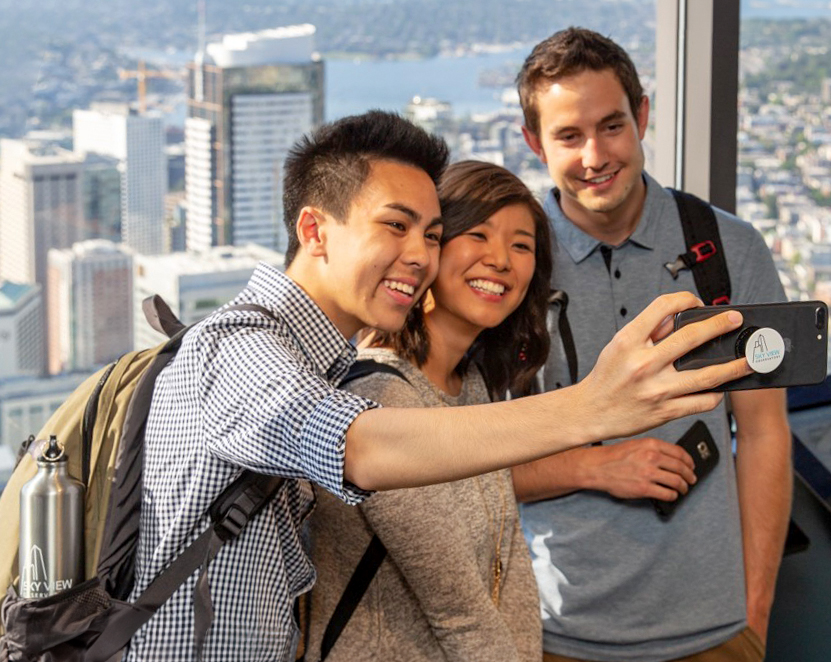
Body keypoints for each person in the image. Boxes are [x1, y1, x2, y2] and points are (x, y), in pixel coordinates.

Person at [125, 110, 751, 661]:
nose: (420, 255)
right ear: (315, 231)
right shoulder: (236, 348)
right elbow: (357, 446)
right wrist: (592, 407)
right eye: (395, 226)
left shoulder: (332, 364)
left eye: (430, 233)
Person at [512, 28, 792, 662]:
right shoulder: (510, 265)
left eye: (611, 126)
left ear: (642, 117)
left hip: (717, 631)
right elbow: (469, 465)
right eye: (568, 136)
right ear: (534, 143)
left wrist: (754, 610)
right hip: (555, 634)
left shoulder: (728, 249)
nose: (594, 155)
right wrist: (596, 466)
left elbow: (764, 434)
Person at [306, 161, 551, 662]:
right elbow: (458, 610)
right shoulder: (382, 396)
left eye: (521, 245)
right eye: (478, 235)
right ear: (431, 250)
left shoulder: (471, 383)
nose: (501, 260)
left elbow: (508, 566)